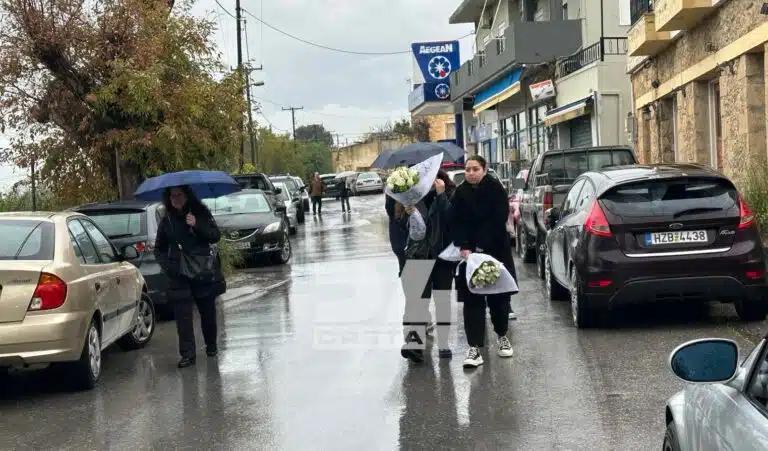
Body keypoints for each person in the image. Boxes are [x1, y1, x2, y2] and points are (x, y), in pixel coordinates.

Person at [450, 155, 517, 369]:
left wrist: (481, 244)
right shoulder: (460, 192)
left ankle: (502, 336)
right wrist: (464, 245)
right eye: (468, 169)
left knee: (499, 298)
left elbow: (499, 218)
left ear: (484, 169)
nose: (471, 173)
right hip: (469, 255)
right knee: (472, 301)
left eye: (475, 169)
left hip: (496, 250)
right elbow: (456, 222)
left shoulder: (495, 188)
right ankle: (474, 348)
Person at [155, 186, 226, 368]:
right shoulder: (167, 220)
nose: (176, 199)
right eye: (172, 196)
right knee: (183, 317)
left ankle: (211, 346)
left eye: (179, 195)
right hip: (179, 274)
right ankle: (188, 355)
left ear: (187, 195)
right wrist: (169, 266)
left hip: (202, 271)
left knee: (207, 313)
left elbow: (215, 236)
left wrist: (197, 224)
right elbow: (159, 248)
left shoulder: (201, 212)